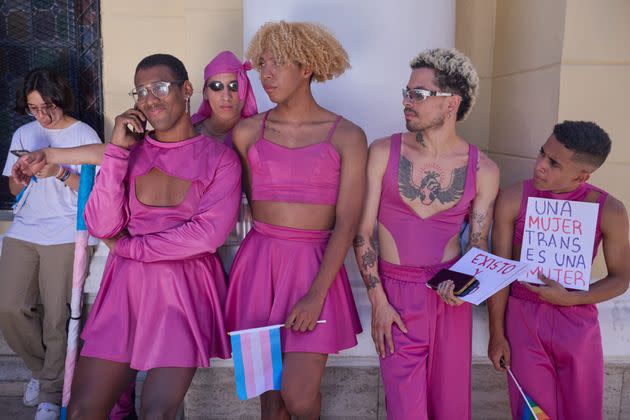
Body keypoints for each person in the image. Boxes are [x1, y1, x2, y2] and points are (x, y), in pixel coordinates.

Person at [55, 53, 241, 419]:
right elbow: (102, 224)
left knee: (158, 413)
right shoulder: (130, 153)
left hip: (182, 293)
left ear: (187, 90)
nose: (149, 98)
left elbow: (205, 236)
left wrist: (128, 247)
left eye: (159, 87)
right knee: (82, 411)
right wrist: (118, 153)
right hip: (124, 291)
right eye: (140, 91)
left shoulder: (220, 159)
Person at [224, 21, 365, 420]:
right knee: (270, 401)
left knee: (300, 397)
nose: (266, 74)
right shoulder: (248, 132)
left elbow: (348, 222)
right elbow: (248, 197)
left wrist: (316, 294)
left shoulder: (347, 135)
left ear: (307, 68)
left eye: (278, 64)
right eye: (262, 64)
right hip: (258, 268)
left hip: (314, 269)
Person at [352, 48, 499, 420]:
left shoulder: (483, 169)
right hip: (396, 300)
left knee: (450, 409)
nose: (406, 101)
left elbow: (478, 243)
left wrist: (464, 283)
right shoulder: (383, 151)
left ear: (452, 102)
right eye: (406, 92)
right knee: (407, 411)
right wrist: (378, 303)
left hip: (449, 296)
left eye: (418, 94)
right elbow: (362, 234)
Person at [487, 121, 630, 419]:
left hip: (577, 321)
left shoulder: (610, 210)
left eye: (553, 163)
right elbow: (499, 270)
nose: (539, 165)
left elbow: (621, 278)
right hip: (524, 318)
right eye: (542, 153)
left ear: (582, 176)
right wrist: (497, 334)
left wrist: (571, 299)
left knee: (583, 411)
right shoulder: (513, 199)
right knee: (532, 412)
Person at [0, 69, 101, 420]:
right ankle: (43, 372)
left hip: (66, 230)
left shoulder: (84, 134)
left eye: (48, 107)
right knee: (8, 307)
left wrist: (58, 172)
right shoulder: (24, 132)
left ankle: (50, 394)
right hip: (25, 228)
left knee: (57, 317)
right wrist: (20, 177)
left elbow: (95, 195)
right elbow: (14, 191)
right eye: (33, 108)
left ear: (61, 99)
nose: (41, 116)